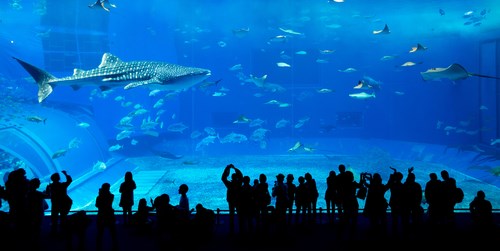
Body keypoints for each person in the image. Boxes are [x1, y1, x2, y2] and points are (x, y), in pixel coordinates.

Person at [45, 170, 73, 236]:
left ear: (52, 179)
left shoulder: (49, 186)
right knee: (63, 217)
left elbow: (48, 195)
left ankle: (53, 232)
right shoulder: (63, 185)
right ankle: (63, 232)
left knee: (54, 218)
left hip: (55, 203)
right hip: (64, 202)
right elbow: (70, 180)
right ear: (59, 178)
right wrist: (66, 174)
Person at [95, 182, 118, 251]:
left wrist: (100, 194)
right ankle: (114, 242)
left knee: (101, 230)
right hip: (109, 213)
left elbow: (97, 205)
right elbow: (109, 199)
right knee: (112, 229)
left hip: (101, 214)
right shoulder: (111, 196)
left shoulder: (99, 197)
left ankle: (98, 243)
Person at [221, 164, 243, 233]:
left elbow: (223, 178)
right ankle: (241, 231)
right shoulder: (239, 183)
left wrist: (227, 168)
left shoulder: (229, 184)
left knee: (231, 216)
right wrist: (234, 168)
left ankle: (231, 231)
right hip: (239, 201)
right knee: (240, 216)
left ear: (232, 178)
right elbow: (241, 175)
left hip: (231, 201)